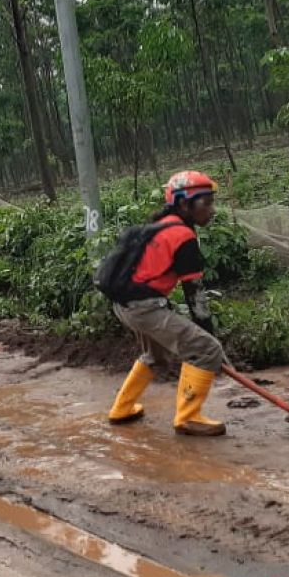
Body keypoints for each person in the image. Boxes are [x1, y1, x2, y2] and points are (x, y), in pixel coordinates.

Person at [104, 171, 228, 437]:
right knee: (206, 348)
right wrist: (209, 336)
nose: (211, 210)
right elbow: (194, 294)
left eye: (211, 202)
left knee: (157, 356)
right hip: (143, 308)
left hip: (125, 305)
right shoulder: (182, 235)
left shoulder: (160, 224)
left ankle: (122, 409)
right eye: (205, 203)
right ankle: (188, 417)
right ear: (184, 204)